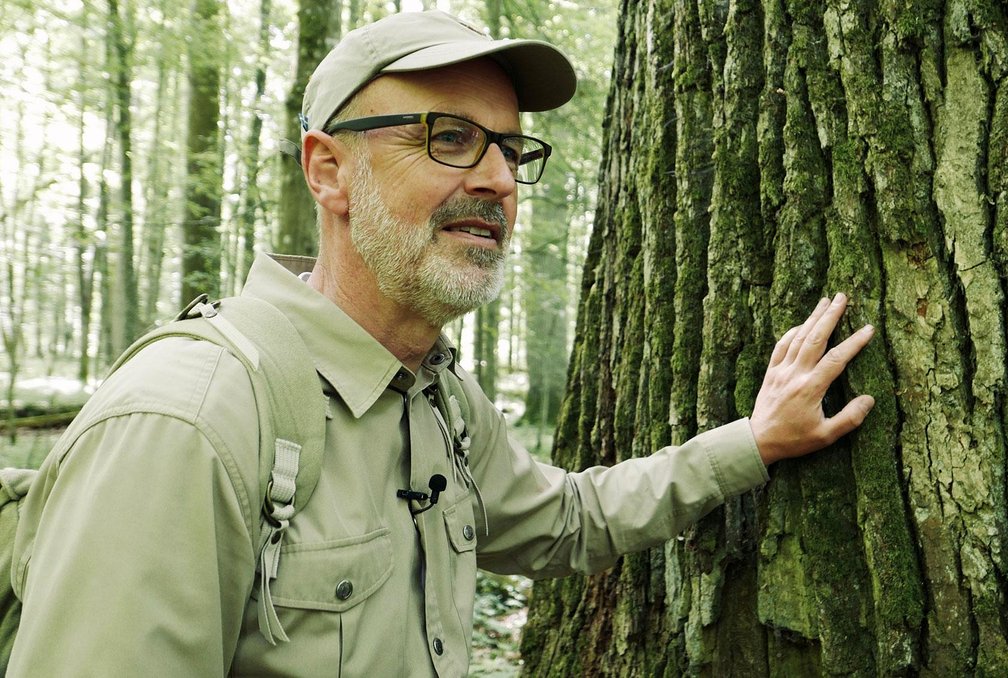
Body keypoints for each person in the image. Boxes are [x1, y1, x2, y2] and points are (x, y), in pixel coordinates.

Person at [7, 10, 876, 676]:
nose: (499, 179)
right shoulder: (190, 423)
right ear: (328, 170)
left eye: (511, 150)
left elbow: (569, 519)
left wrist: (756, 441)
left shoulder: (436, 399)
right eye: (449, 138)